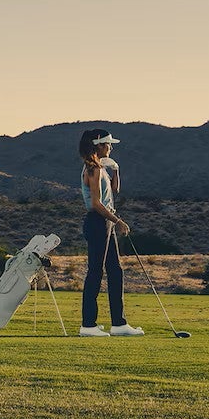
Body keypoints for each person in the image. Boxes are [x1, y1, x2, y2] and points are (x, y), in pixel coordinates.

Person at [77, 129, 143, 336]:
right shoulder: (92, 170)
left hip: (105, 222)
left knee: (115, 271)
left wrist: (115, 170)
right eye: (108, 144)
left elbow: (114, 191)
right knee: (95, 272)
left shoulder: (101, 168)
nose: (111, 147)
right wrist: (118, 221)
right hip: (98, 222)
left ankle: (119, 324)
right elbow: (96, 204)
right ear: (98, 145)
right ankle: (88, 325)